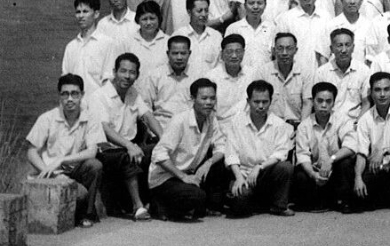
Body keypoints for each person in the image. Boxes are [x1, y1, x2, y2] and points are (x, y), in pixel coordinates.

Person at [89, 52, 162, 221]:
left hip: (129, 145)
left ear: (137, 75)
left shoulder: (133, 93)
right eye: (123, 71)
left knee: (157, 150)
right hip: (106, 150)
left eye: (132, 72)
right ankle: (138, 206)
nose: (127, 76)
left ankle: (156, 202)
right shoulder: (99, 96)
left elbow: (148, 116)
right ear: (114, 72)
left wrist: (164, 139)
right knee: (127, 157)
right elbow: (105, 129)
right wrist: (129, 146)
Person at [25, 74, 105, 228]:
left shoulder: (90, 118)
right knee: (80, 193)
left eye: (74, 94)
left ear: (82, 95)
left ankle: (87, 214)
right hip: (51, 172)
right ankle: (79, 210)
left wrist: (61, 160)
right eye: (65, 94)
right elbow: (31, 152)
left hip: (74, 169)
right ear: (59, 96)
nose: (70, 99)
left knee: (95, 165)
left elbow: (92, 152)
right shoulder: (47, 118)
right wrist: (49, 172)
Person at [148, 77, 227, 221]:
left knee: (219, 163)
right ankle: (157, 204)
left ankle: (205, 206)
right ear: (193, 99)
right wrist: (183, 177)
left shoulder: (211, 119)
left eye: (212, 98)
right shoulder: (179, 121)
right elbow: (158, 155)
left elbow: (221, 146)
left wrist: (207, 164)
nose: (209, 102)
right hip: (166, 178)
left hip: (190, 173)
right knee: (197, 196)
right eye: (204, 98)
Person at [222, 79, 295, 217]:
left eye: (265, 102)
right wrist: (238, 178)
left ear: (270, 101)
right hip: (243, 174)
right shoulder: (236, 122)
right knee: (240, 204)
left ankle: (279, 206)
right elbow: (231, 154)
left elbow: (281, 153)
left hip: (266, 173)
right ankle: (252, 200)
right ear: (248, 101)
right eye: (256, 102)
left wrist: (259, 167)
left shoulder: (279, 124)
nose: (261, 106)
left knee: (286, 167)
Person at [346, 72, 390, 213]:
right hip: (376, 168)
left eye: (386, 89)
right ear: (371, 93)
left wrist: (383, 152)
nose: (382, 94)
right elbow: (362, 153)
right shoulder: (365, 119)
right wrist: (358, 178)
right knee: (357, 202)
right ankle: (386, 196)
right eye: (377, 90)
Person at [292, 82, 356, 212]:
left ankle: (344, 201)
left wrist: (331, 160)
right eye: (319, 101)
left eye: (328, 101)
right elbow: (302, 155)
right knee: (300, 173)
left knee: (346, 163)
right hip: (315, 172)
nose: (323, 105)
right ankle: (317, 202)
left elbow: (350, 146)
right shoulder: (304, 126)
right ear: (313, 101)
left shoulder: (343, 120)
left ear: (333, 103)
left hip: (335, 169)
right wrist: (313, 174)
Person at [137, 35, 193, 133]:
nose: (179, 57)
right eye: (175, 53)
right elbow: (145, 108)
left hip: (189, 130)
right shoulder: (155, 75)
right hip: (161, 128)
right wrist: (158, 133)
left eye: (183, 53)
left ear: (189, 53)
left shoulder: (197, 76)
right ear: (168, 54)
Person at [256, 32, 313, 128]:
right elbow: (259, 104)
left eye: (289, 48)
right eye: (280, 48)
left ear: (296, 50)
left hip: (297, 125)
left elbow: (307, 103)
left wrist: (302, 129)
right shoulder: (263, 72)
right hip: (271, 127)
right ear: (274, 51)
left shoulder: (305, 72)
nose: (284, 53)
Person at [62, 0, 116, 90]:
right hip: (75, 99)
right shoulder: (71, 46)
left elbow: (109, 80)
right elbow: (65, 79)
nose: (81, 16)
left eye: (85, 11)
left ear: (96, 14)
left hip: (99, 99)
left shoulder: (107, 44)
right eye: (78, 12)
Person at [277, 0, 331, 70]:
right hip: (294, 73)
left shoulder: (326, 17)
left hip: (320, 73)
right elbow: (278, 50)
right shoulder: (286, 19)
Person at [314, 29, 367, 121]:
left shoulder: (364, 71)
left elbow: (366, 103)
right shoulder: (321, 73)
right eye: (339, 45)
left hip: (354, 122)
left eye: (347, 45)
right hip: (329, 123)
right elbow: (317, 104)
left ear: (353, 47)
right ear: (331, 49)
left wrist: (357, 124)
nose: (344, 50)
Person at [208, 34, 254, 123]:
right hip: (220, 126)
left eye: (238, 51)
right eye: (229, 52)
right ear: (222, 54)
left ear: (243, 53)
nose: (234, 56)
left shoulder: (252, 74)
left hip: (246, 125)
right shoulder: (211, 77)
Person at [226, 0, 276, 70]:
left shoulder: (272, 29)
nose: (255, 7)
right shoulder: (233, 29)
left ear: (265, 5)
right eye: (251, 3)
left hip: (265, 76)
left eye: (259, 3)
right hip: (241, 76)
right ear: (245, 5)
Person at [174, 0, 221, 78]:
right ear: (189, 12)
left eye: (206, 10)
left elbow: (220, 65)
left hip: (210, 84)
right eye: (199, 11)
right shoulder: (179, 35)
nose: (204, 14)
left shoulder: (216, 36)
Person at [328, 0, 376, 65]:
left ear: (361, 1)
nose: (352, 1)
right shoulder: (331, 25)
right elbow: (324, 56)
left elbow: (371, 59)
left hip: (361, 72)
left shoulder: (369, 26)